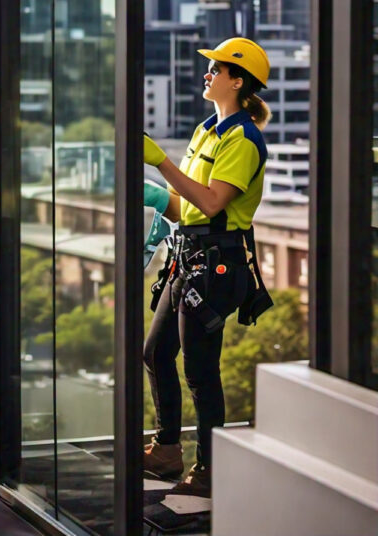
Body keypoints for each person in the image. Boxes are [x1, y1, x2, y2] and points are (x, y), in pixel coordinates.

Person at [141, 37, 274, 499]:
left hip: (218, 267)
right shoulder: (206, 132)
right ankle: (167, 448)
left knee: (200, 370)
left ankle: (210, 468)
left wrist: (159, 160)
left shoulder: (244, 140)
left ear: (237, 81)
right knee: (156, 353)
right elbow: (187, 207)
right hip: (190, 257)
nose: (208, 74)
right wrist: (158, 198)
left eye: (216, 69)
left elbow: (213, 201)